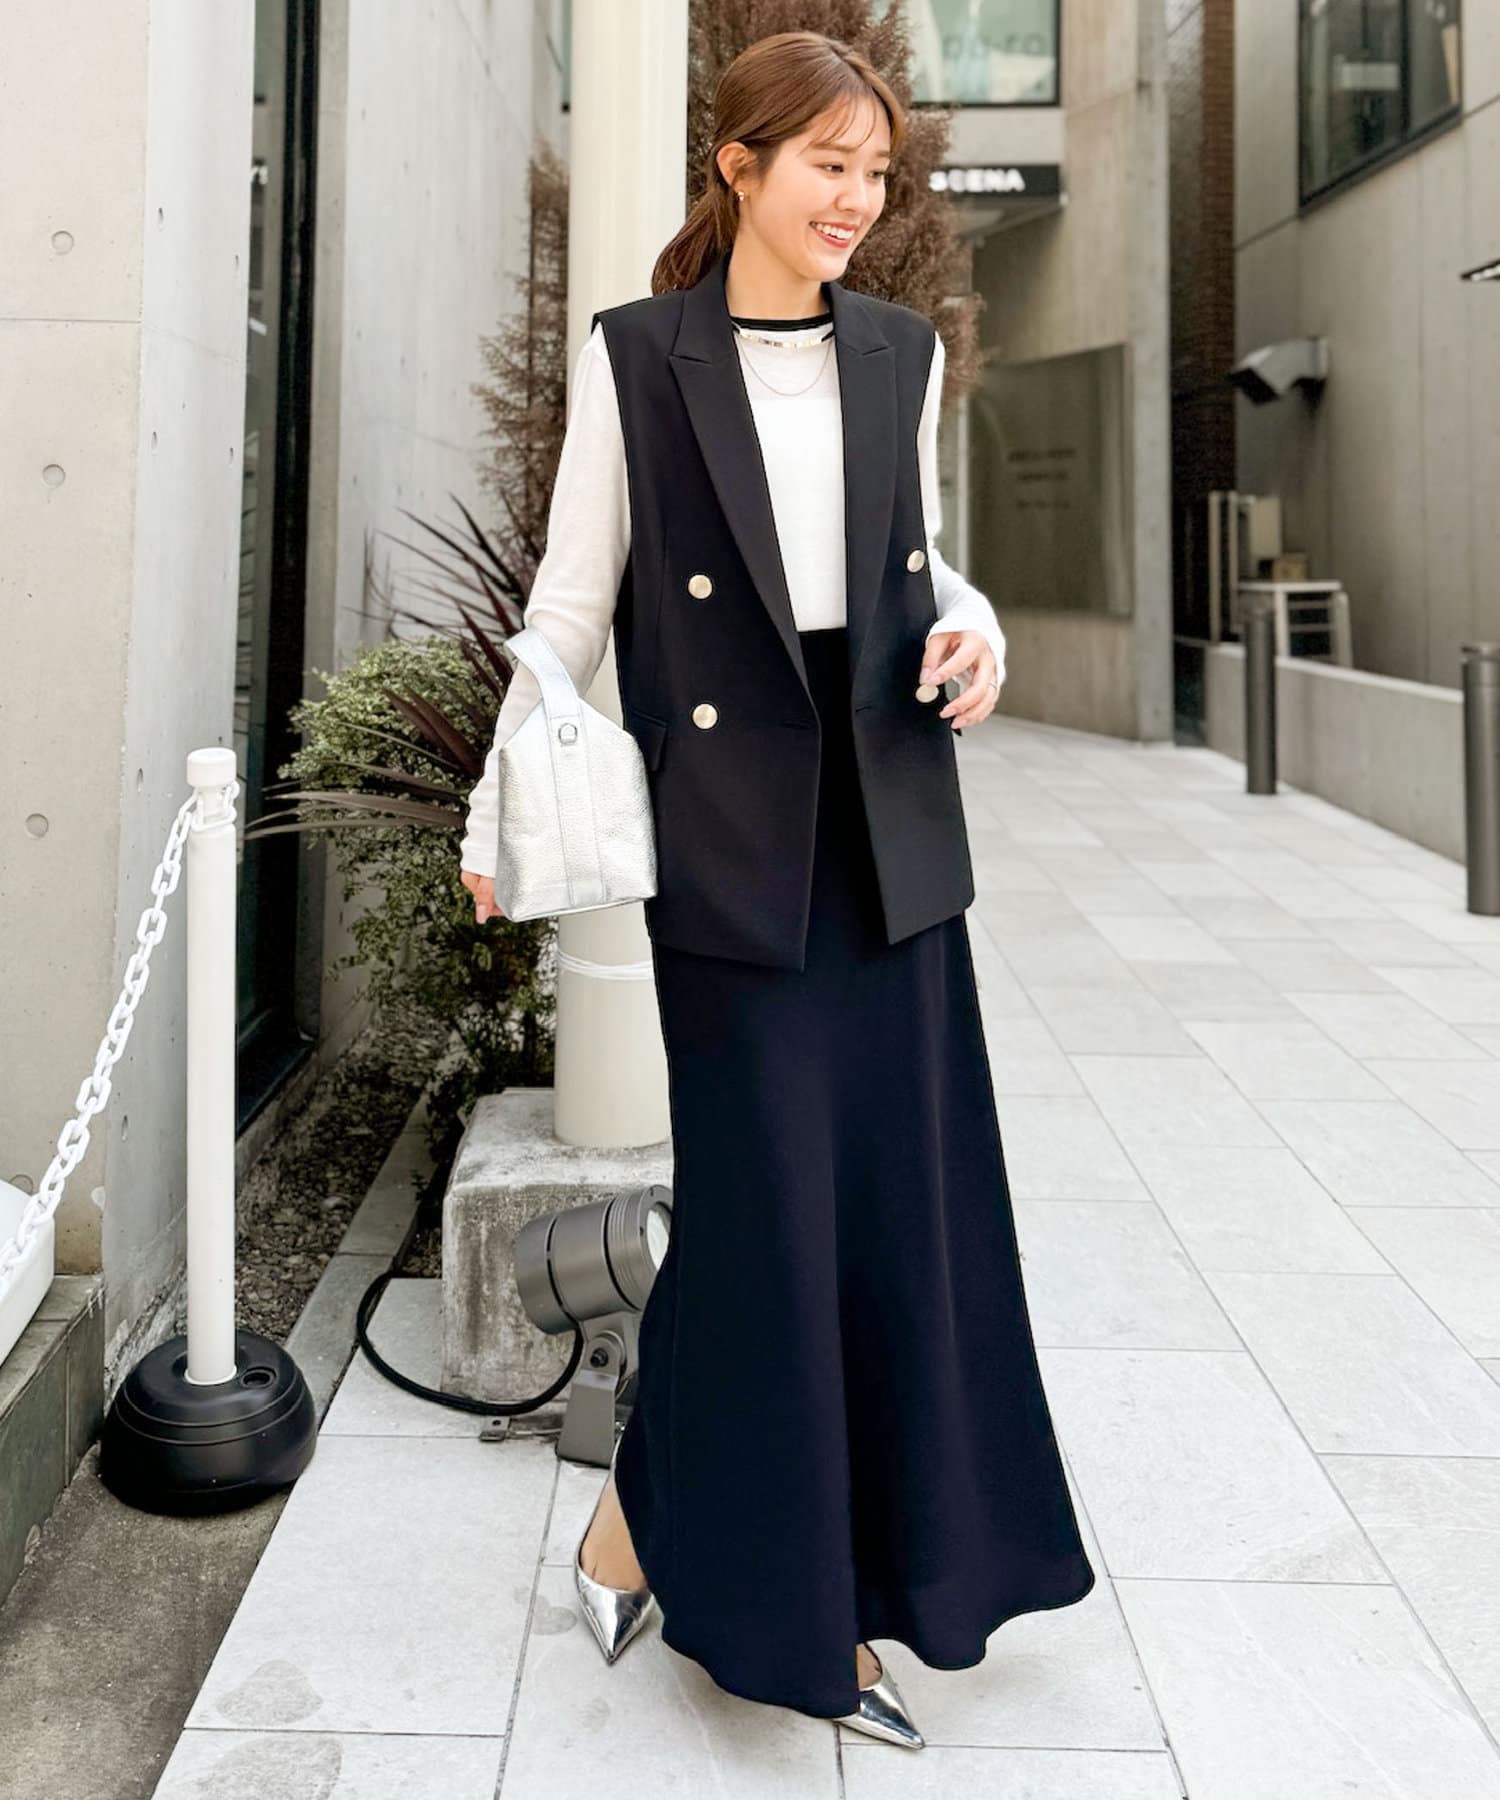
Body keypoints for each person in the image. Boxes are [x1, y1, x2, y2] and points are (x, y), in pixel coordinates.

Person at [458, 28, 1096, 1750]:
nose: (857, 199)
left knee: (893, 1215)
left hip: (889, 829)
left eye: (875, 172)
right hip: (735, 848)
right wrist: (500, 796)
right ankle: (787, 1617)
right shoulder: (640, 357)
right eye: (827, 164)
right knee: (760, 1223)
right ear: (738, 165)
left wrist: (978, 631)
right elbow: (570, 604)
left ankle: (669, 1537)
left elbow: (920, 562)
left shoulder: (898, 352)